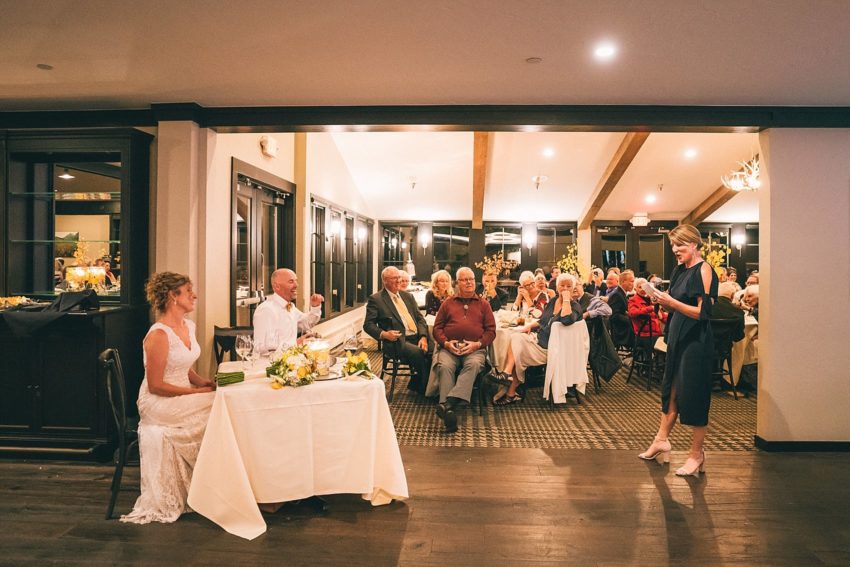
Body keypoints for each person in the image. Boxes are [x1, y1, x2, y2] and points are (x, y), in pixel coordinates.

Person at [121, 272, 215, 524]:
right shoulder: (159, 335)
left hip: (182, 394)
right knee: (219, 409)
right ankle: (213, 483)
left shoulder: (188, 326)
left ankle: (210, 485)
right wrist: (196, 393)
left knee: (222, 401)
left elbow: (183, 367)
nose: (194, 296)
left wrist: (202, 381)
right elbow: (156, 385)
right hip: (159, 402)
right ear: (173, 296)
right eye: (188, 291)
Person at [638, 224, 718, 477]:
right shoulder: (679, 270)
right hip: (677, 336)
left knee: (693, 394)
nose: (675, 250)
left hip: (696, 342)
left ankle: (697, 453)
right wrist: (660, 301)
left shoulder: (704, 270)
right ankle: (661, 440)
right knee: (670, 390)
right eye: (673, 245)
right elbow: (675, 306)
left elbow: (702, 313)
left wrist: (671, 301)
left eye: (679, 245)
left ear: (694, 244)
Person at [492, 273, 586, 405]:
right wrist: (530, 325)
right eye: (562, 285)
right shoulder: (553, 301)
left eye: (568, 286)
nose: (564, 288)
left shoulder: (574, 306)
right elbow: (543, 320)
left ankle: (507, 376)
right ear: (557, 286)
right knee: (516, 342)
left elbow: (566, 320)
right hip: (541, 342)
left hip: (554, 349)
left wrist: (566, 300)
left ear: (573, 288)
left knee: (516, 342)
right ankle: (510, 389)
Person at [429, 267, 496, 433]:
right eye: (465, 280)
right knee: (444, 366)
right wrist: (445, 343)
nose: (469, 282)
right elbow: (437, 329)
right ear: (457, 283)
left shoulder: (484, 304)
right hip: (449, 348)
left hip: (475, 350)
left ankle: (447, 404)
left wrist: (477, 345)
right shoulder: (448, 303)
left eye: (471, 279)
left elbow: (491, 331)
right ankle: (449, 412)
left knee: (473, 365)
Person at [363, 266, 431, 394]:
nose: (399, 280)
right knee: (420, 353)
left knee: (435, 351)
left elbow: (420, 319)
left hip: (416, 336)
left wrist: (423, 337)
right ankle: (425, 389)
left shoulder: (408, 296)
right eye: (395, 278)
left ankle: (417, 383)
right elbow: (368, 325)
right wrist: (384, 334)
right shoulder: (376, 299)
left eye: (399, 277)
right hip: (396, 341)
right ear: (385, 281)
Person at [253, 268, 323, 352]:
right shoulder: (266, 310)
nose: (296, 285)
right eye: (291, 282)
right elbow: (262, 347)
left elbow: (307, 323)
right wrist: (297, 343)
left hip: (288, 361)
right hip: (268, 364)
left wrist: (315, 307)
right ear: (277, 286)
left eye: (296, 281)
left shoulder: (290, 306)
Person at [628, 277, 668, 353]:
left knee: (672, 337)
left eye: (644, 287)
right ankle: (660, 362)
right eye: (640, 287)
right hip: (645, 335)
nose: (643, 289)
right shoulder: (633, 300)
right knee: (667, 344)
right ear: (635, 289)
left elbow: (661, 316)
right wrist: (650, 308)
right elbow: (632, 313)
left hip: (655, 333)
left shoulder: (651, 299)